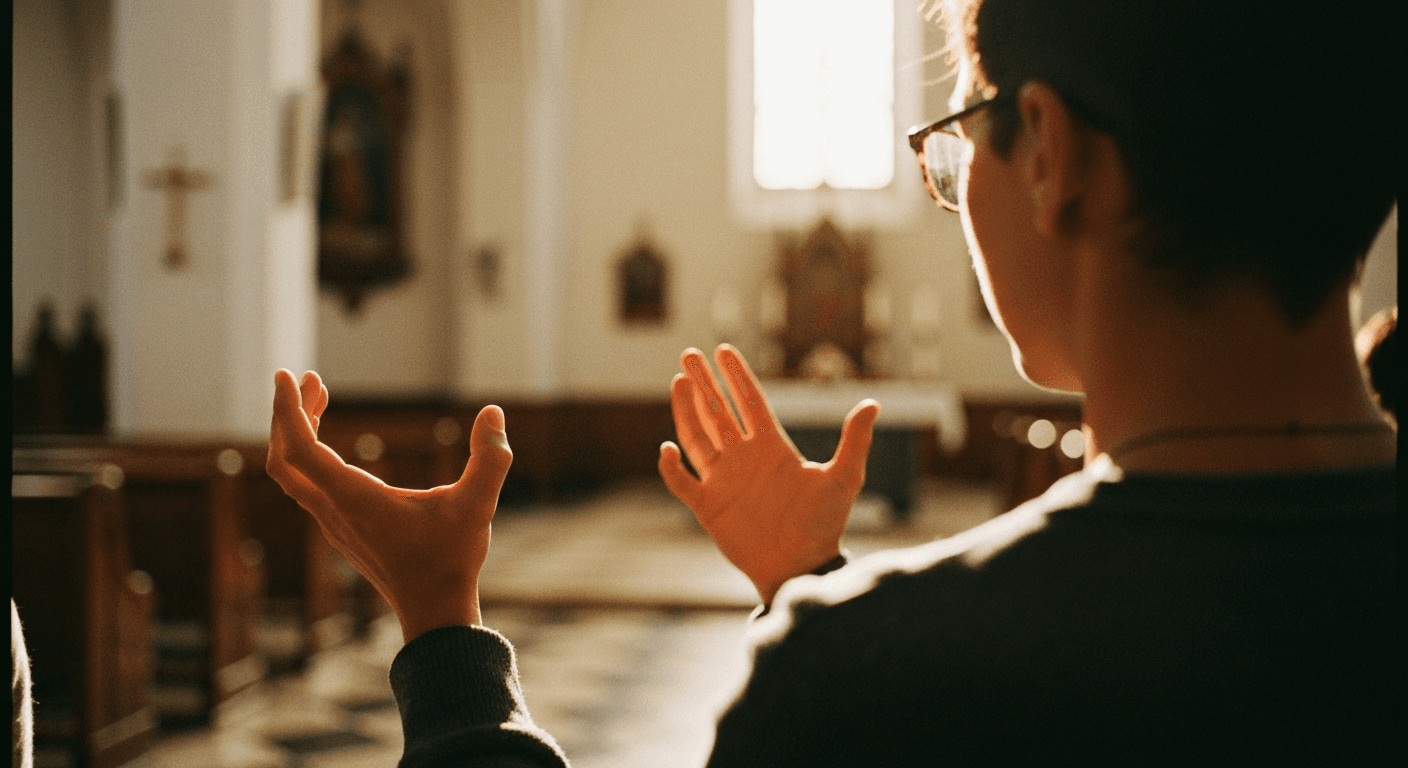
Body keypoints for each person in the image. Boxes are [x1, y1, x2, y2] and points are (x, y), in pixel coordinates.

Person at [266, 0, 1399, 763]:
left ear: (1049, 154)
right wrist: (812, 572)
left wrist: (441, 631)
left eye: (961, 136)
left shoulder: (867, 686)